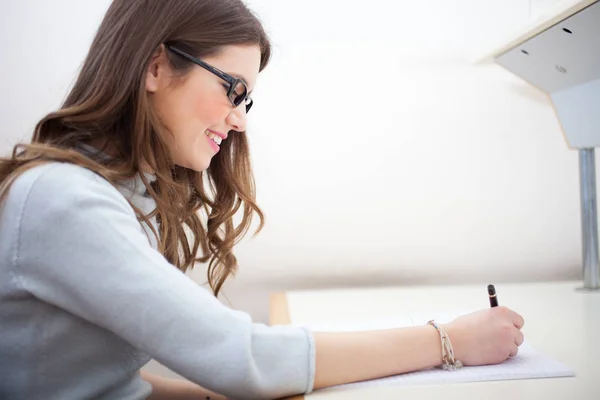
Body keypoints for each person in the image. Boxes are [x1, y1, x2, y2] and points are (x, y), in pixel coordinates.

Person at [0, 0, 525, 399]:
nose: (239, 118)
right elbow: (240, 355)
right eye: (232, 89)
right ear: (156, 67)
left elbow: (107, 383)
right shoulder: (63, 199)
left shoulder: (115, 194)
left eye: (245, 99)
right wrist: (448, 341)